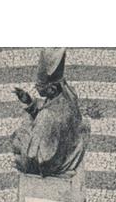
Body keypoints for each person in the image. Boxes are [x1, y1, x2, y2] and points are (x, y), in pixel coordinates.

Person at [10, 48, 90, 177]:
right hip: (69, 149)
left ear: (52, 89)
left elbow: (38, 158)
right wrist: (30, 103)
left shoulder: (47, 116)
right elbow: (48, 108)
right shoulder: (68, 96)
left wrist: (22, 152)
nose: (37, 90)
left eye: (41, 88)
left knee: (18, 136)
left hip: (55, 162)